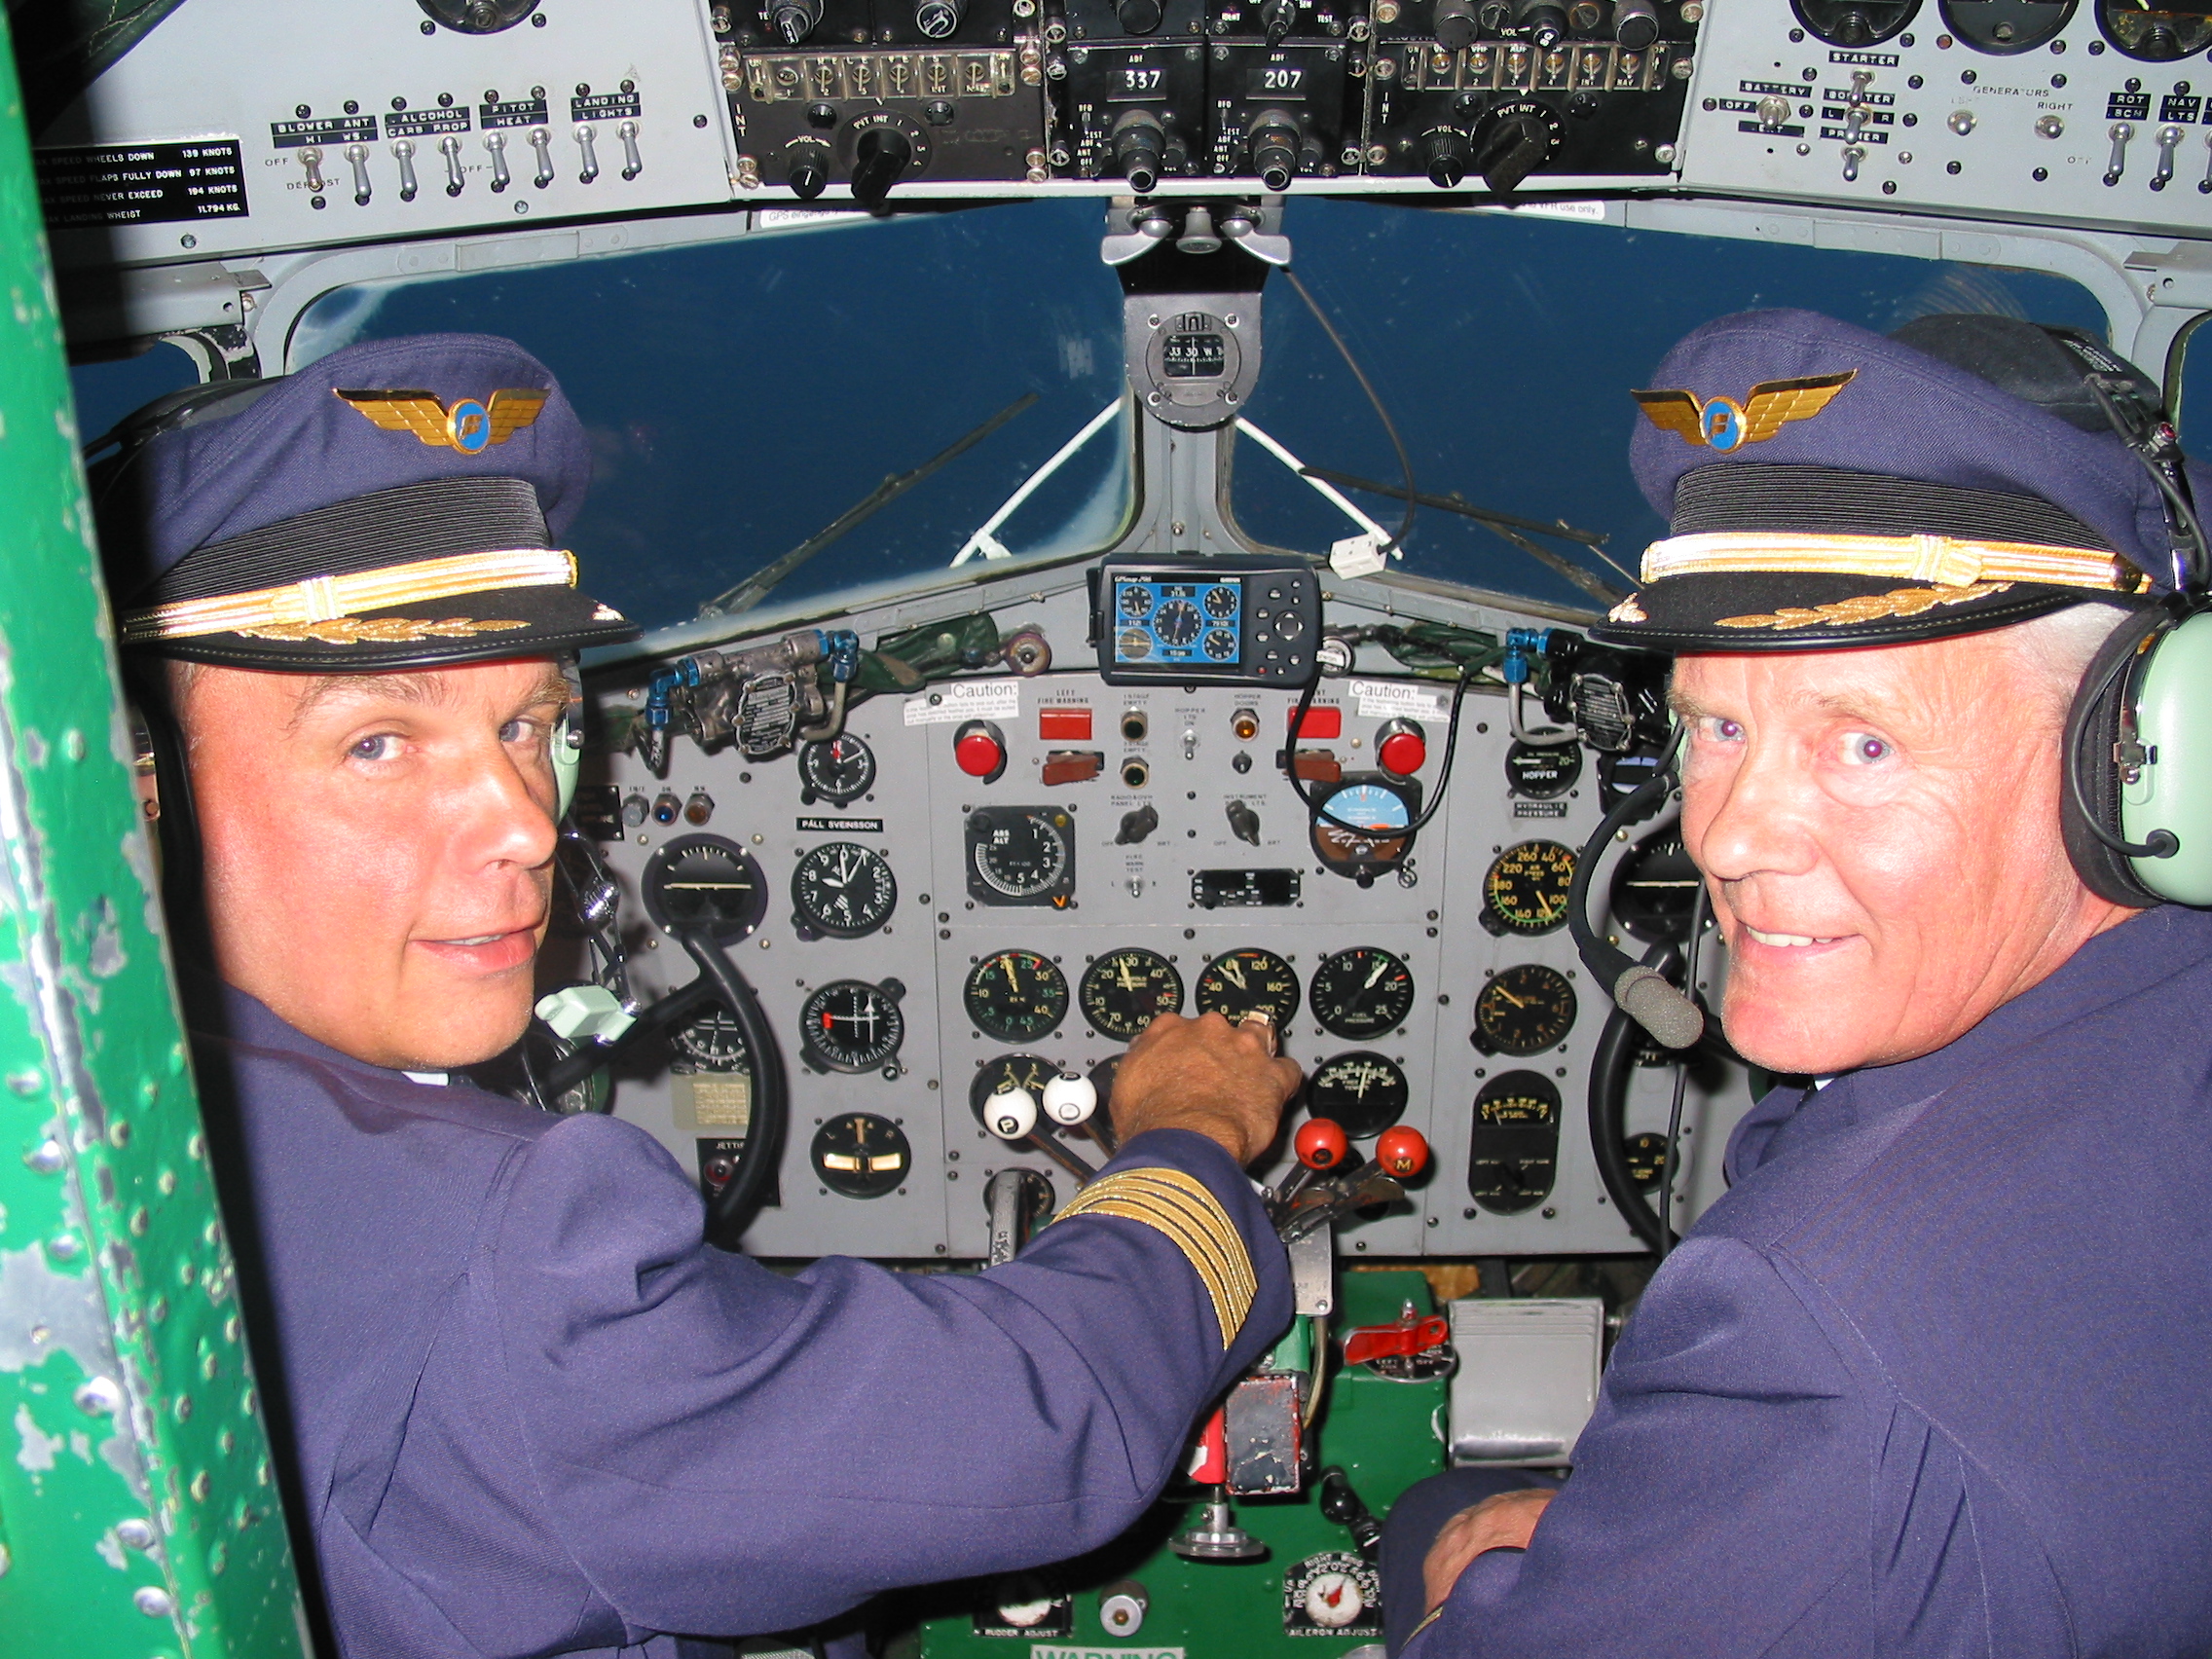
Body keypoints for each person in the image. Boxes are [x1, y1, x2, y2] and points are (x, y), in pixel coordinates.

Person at [90, 332, 1302, 1659]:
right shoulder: (500, 1251)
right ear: (133, 790)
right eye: (379, 743)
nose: (525, 823)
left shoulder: (136, 1136)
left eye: (524, 726)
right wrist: (1190, 1136)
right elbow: (1037, 1418)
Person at [1385, 309, 2212, 1657]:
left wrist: (1450, 1587)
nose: (1727, 835)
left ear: (2140, 756)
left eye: (1863, 746)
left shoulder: (1817, 1334)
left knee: (1445, 1518)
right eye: (1717, 724)